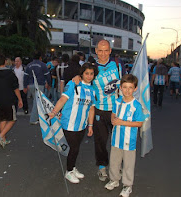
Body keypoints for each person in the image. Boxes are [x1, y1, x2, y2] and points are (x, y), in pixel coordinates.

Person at [73, 39, 122, 181]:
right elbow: (83, 79)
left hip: (117, 110)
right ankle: (102, 167)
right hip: (99, 110)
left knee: (117, 141)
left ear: (110, 51)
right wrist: (77, 77)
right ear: (96, 51)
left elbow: (126, 82)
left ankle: (116, 165)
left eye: (106, 50)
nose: (103, 54)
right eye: (100, 50)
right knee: (100, 141)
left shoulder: (117, 65)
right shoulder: (93, 68)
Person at [48, 63, 98, 184]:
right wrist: (54, 112)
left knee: (76, 148)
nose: (89, 76)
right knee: (74, 148)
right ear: (82, 73)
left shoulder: (93, 90)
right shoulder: (73, 84)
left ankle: (73, 167)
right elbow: (62, 99)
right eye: (87, 73)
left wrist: (90, 125)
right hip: (69, 122)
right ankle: (69, 171)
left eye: (91, 74)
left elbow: (91, 109)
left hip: (82, 125)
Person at [104, 74, 144, 197]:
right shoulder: (117, 101)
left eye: (130, 87)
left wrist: (122, 122)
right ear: (120, 87)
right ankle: (114, 179)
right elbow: (113, 113)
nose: (127, 90)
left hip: (129, 141)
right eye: (125, 87)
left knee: (128, 164)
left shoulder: (136, 105)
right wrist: (113, 119)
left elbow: (139, 123)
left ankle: (127, 185)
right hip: (116, 139)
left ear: (135, 89)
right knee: (114, 161)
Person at [0, 54, 23, 148]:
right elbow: (15, 88)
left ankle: (3, 139)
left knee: (2, 119)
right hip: (9, 99)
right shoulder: (10, 73)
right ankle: (1, 135)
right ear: (5, 62)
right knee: (12, 119)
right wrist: (20, 99)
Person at [24, 52, 51, 125]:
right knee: (37, 102)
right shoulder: (43, 65)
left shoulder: (29, 65)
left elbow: (25, 76)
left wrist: (25, 86)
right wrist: (49, 84)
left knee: (35, 100)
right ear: (40, 57)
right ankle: (33, 119)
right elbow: (47, 75)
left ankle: (38, 117)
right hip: (39, 84)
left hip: (31, 84)